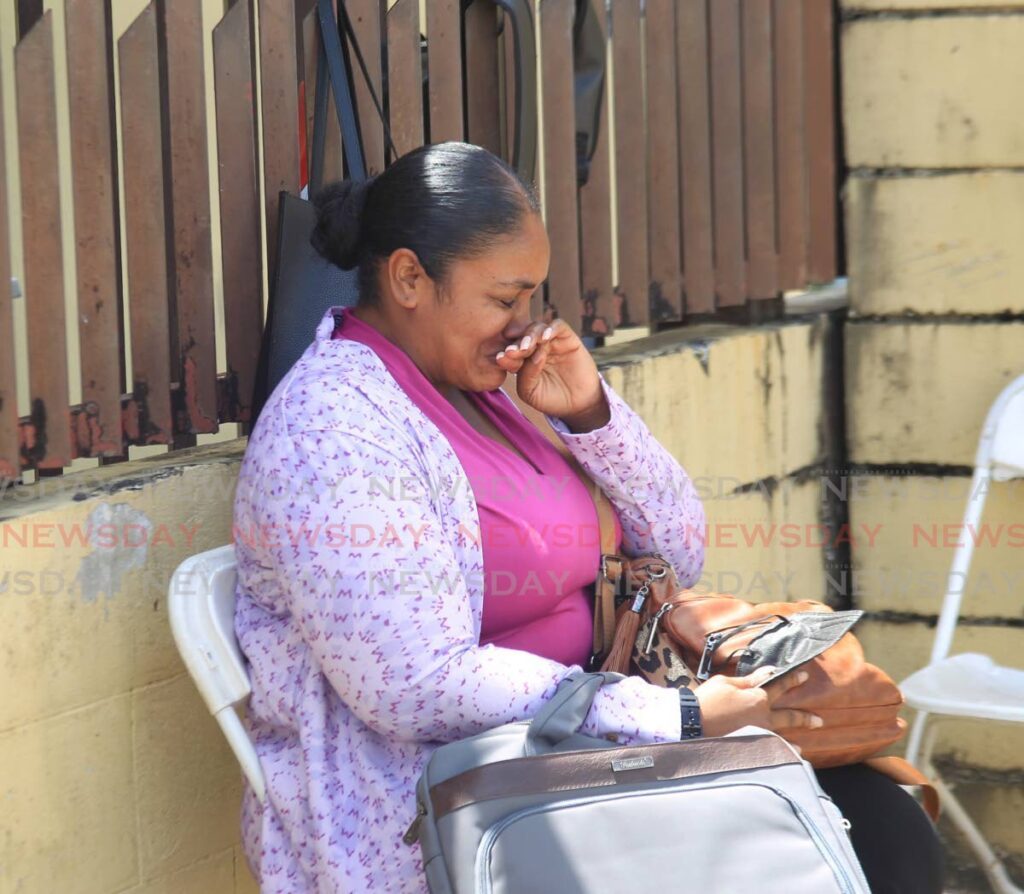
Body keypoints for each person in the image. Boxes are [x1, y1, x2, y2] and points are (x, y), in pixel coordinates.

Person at [233, 141, 943, 893]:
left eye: (531, 298)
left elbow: (678, 546)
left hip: (588, 752)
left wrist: (592, 416)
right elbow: (415, 685)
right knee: (846, 855)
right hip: (462, 804)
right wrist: (670, 717)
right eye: (504, 300)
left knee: (884, 823)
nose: (523, 324)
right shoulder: (336, 430)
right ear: (410, 277)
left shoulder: (498, 389)